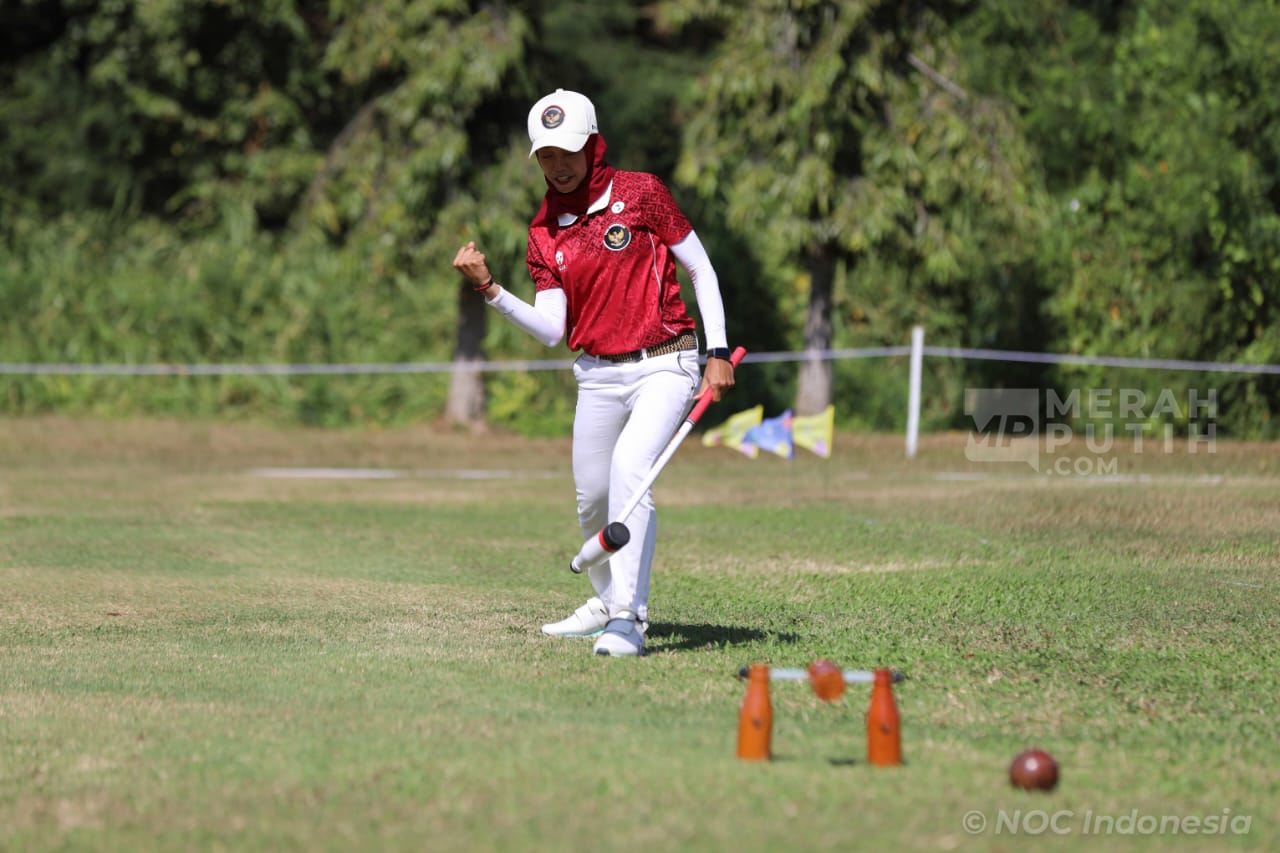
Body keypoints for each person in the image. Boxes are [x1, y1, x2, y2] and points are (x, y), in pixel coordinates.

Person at [452, 88, 736, 657]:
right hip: (597, 374)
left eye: (567, 152)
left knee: (632, 472)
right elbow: (552, 329)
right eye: (546, 157)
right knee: (592, 498)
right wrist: (490, 289)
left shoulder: (642, 193)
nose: (557, 167)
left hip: (667, 360)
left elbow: (700, 270)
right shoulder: (543, 231)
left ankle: (629, 619)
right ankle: (604, 602)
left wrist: (719, 351)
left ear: (592, 145)